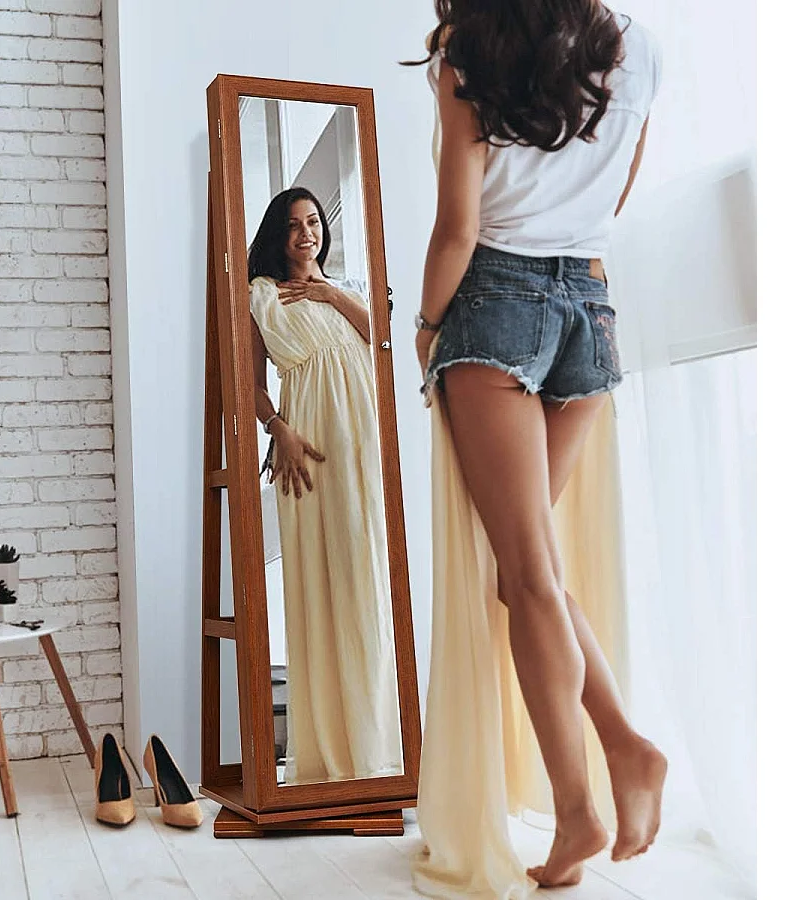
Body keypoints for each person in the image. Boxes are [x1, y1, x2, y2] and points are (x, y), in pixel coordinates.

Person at [412, 0, 668, 890]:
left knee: (523, 576)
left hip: (497, 303)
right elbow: (617, 192)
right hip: (590, 307)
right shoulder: (640, 50)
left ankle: (578, 810)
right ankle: (626, 749)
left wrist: (426, 324)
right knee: (533, 573)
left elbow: (458, 224)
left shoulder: (468, 50)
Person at [247, 187, 402, 784]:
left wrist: (331, 293)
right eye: (292, 225)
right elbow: (248, 381)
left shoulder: (346, 293)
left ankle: (378, 744)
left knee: (367, 576)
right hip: (308, 441)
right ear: (276, 235)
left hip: (363, 441)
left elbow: (379, 342)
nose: (305, 233)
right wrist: (277, 428)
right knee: (325, 577)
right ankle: (334, 747)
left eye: (313, 223)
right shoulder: (260, 295)